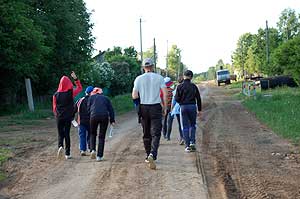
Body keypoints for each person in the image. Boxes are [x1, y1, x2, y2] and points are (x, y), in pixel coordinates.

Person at [132, 58, 167, 170]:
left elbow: (134, 95)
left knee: (146, 132)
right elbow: (165, 94)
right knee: (156, 133)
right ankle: (153, 154)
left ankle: (148, 155)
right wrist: (165, 107)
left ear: (143, 68)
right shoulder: (159, 78)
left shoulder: (138, 79)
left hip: (143, 107)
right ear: (153, 67)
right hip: (156, 106)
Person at [53, 71, 82, 159]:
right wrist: (76, 79)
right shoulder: (71, 93)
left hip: (59, 117)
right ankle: (67, 153)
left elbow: (54, 108)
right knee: (66, 134)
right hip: (68, 117)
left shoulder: (55, 95)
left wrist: (57, 115)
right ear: (68, 83)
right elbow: (80, 88)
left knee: (60, 133)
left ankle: (60, 147)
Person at [175, 70, 201, 152]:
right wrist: (199, 109)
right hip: (192, 106)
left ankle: (187, 145)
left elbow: (176, 98)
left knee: (185, 126)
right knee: (192, 125)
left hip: (183, 107)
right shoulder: (194, 86)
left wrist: (181, 103)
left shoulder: (179, 87)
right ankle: (192, 142)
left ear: (184, 76)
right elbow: (198, 98)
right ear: (191, 77)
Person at [87, 87, 115, 161]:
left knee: (92, 134)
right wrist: (112, 120)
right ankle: (99, 156)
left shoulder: (91, 98)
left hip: (93, 116)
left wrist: (90, 117)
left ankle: (93, 150)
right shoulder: (106, 98)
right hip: (104, 117)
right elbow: (111, 110)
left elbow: (88, 109)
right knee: (101, 136)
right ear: (101, 92)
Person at [74, 86, 94, 156]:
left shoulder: (80, 100)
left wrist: (72, 119)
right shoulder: (93, 100)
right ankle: (91, 149)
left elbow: (74, 109)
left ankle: (83, 150)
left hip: (81, 121)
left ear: (86, 92)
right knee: (91, 135)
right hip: (91, 121)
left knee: (82, 135)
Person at [166, 77, 184, 143]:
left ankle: (168, 136)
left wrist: (171, 109)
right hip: (182, 108)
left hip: (175, 109)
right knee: (181, 124)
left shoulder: (176, 89)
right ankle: (182, 137)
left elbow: (174, 100)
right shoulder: (183, 88)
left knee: (169, 122)